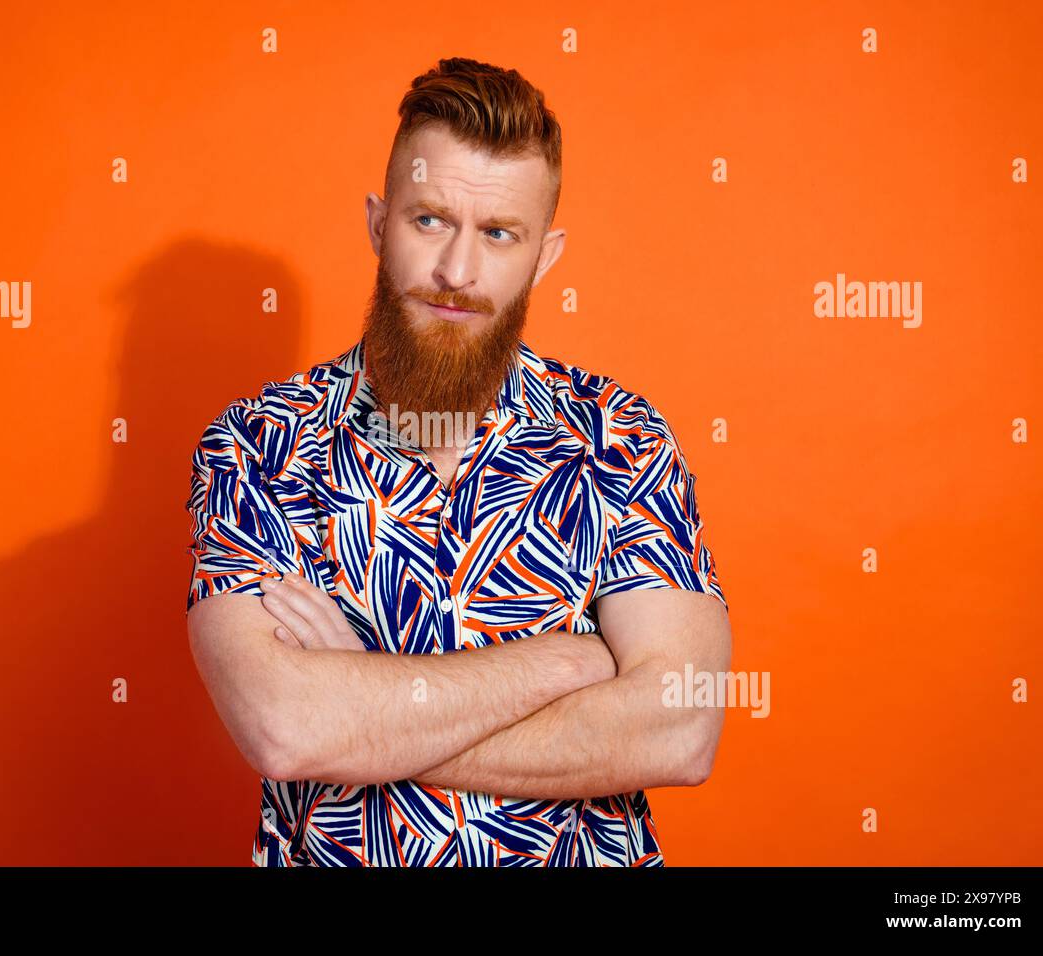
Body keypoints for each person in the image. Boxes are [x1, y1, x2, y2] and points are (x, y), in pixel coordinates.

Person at [185, 56, 731, 866]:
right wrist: (566, 663)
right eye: (430, 220)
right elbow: (287, 728)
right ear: (379, 224)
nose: (457, 273)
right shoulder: (255, 446)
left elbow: (681, 727)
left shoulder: (620, 436)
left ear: (544, 256)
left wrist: (366, 703)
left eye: (500, 234)